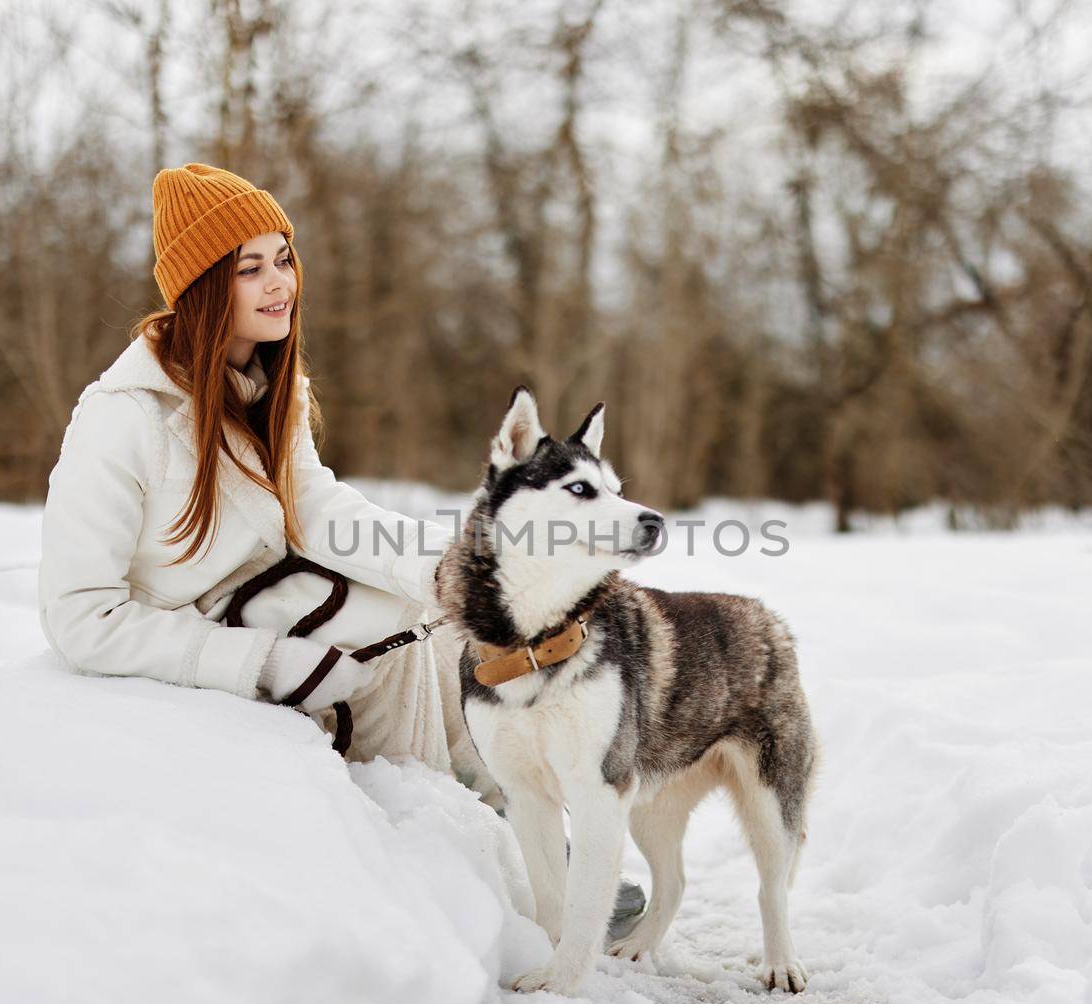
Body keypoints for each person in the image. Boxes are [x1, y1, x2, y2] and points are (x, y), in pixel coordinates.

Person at [36, 161, 646, 936]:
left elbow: (316, 506)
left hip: (266, 597)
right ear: (199, 288)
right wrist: (258, 662)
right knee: (382, 628)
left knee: (437, 616)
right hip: (186, 640)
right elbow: (79, 615)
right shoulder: (120, 419)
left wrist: (442, 565)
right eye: (247, 268)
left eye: (283, 258)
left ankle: (501, 827)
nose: (277, 282)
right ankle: (441, 843)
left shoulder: (264, 384)